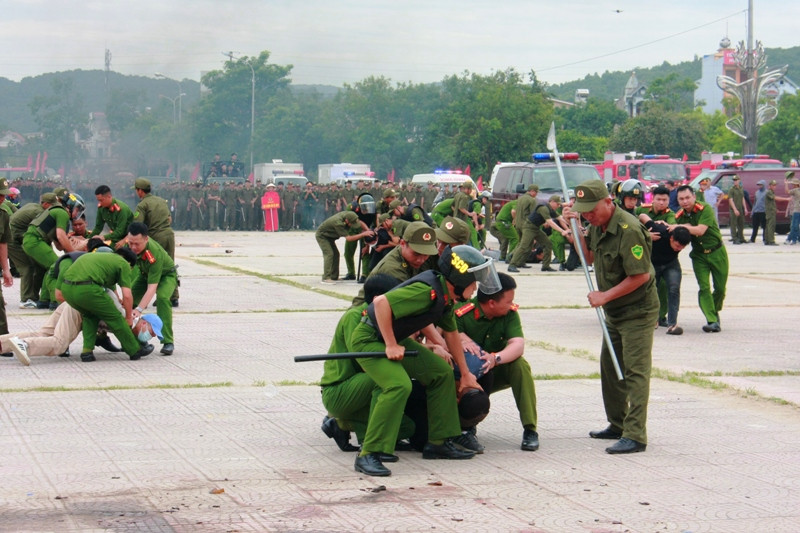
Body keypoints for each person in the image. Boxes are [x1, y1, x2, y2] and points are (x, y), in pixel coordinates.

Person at [349, 245, 500, 476]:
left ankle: (439, 441)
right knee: (398, 384)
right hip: (370, 338)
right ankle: (369, 453)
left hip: (392, 337)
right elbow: (380, 303)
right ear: (460, 280)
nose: (476, 288)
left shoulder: (446, 296)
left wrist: (466, 374)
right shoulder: (426, 290)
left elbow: (450, 335)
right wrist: (390, 344)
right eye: (474, 282)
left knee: (441, 372)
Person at [564, 179, 659, 454]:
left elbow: (640, 275)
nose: (588, 215)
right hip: (615, 311)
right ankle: (617, 424)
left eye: (591, 210)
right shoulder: (597, 224)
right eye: (583, 211)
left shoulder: (628, 229)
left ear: (608, 202)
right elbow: (590, 257)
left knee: (634, 371)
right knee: (610, 368)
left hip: (637, 310)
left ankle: (635, 434)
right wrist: (575, 229)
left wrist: (604, 296)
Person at [320, 274, 412, 453]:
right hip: (339, 389)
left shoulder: (380, 318)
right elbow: (366, 363)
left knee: (407, 428)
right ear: (379, 300)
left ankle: (351, 425)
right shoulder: (355, 317)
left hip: (361, 386)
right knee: (386, 379)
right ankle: (345, 426)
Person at [454, 272, 540, 452]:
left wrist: (495, 358)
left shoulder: (509, 314)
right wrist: (460, 338)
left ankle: (530, 429)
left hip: (495, 370)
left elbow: (518, 344)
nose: (511, 305)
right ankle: (466, 424)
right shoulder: (462, 313)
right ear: (491, 303)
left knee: (520, 365)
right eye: (508, 301)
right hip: (465, 376)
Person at [60, 248, 155, 362]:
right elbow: (127, 295)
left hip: (67, 290)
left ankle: (87, 352)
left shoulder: (99, 258)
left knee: (90, 316)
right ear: (130, 265)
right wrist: (129, 317)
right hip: (87, 289)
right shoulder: (123, 264)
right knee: (115, 318)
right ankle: (134, 350)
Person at [4, 302, 162, 366]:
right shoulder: (126, 319)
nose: (150, 337)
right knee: (59, 344)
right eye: (151, 333)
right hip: (78, 311)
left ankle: (2, 344)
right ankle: (25, 345)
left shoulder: (130, 318)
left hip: (72, 303)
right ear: (143, 323)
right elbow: (128, 343)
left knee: (42, 334)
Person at [672, 185, 729, 333]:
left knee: (720, 289)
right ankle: (712, 320)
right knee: (704, 287)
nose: (685, 201)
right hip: (699, 256)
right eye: (681, 199)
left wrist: (682, 226)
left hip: (717, 252)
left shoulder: (705, 209)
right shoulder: (679, 216)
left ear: (694, 197)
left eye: (687, 198)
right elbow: (674, 231)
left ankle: (714, 311)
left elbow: (700, 230)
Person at [22, 192, 85, 308]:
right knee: (57, 266)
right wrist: (74, 253)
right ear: (70, 205)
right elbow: (61, 236)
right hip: (35, 240)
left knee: (50, 267)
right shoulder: (62, 213)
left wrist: (73, 240)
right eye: (77, 209)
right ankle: (56, 300)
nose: (77, 213)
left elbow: (59, 245)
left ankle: (44, 300)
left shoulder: (59, 213)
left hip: (32, 240)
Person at [126, 222, 178, 356]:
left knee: (162, 298)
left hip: (166, 276)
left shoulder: (153, 253)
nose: (133, 247)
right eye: (130, 243)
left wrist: (139, 310)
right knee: (128, 300)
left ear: (146, 239)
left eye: (137, 244)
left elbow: (152, 288)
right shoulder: (130, 247)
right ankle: (131, 340)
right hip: (145, 275)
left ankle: (167, 341)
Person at [638, 213, 691, 335]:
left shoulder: (680, 236)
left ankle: (672, 324)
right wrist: (646, 234)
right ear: (671, 238)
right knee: (651, 291)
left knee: (674, 289)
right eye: (677, 246)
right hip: (654, 264)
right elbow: (642, 215)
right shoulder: (660, 231)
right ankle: (653, 320)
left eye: (682, 248)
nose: (679, 249)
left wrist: (676, 225)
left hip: (671, 264)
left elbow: (690, 225)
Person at [128, 178, 179, 306]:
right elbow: (169, 219)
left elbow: (138, 224)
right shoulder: (161, 201)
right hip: (169, 235)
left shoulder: (142, 205)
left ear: (140, 191)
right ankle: (174, 296)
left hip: (156, 237)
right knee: (170, 267)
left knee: (156, 266)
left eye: (136, 190)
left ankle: (161, 296)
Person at [10, 192, 57, 309]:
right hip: (12, 240)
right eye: (53, 205)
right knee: (26, 267)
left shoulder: (33, 206)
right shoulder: (40, 213)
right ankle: (26, 299)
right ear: (45, 204)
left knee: (38, 266)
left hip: (18, 237)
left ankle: (34, 297)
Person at [315, 211, 373, 283]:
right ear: (347, 221)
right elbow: (349, 238)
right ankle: (326, 277)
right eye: (352, 224)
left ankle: (334, 276)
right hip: (322, 236)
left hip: (330, 237)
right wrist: (363, 234)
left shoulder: (349, 215)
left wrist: (368, 230)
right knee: (329, 254)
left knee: (336, 254)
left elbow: (360, 222)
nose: (353, 225)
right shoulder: (338, 223)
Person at [507, 184, 539, 272]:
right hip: (526, 225)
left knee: (523, 243)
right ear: (532, 191)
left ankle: (520, 262)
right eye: (536, 192)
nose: (536, 194)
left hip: (518, 224)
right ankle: (512, 261)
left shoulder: (520, 198)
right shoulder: (531, 200)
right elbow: (534, 214)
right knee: (525, 245)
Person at [764, 179, 790, 246]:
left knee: (768, 226)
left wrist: (775, 209)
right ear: (770, 186)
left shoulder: (771, 192)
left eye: (775, 185)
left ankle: (767, 240)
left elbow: (772, 202)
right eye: (773, 185)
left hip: (771, 211)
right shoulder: (769, 192)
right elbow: (775, 198)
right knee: (771, 226)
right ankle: (771, 241)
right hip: (770, 212)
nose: (775, 186)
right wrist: (786, 199)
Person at [727, 175, 748, 245]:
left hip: (740, 209)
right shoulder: (731, 189)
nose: (735, 181)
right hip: (734, 209)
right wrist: (735, 209)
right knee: (733, 224)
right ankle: (734, 238)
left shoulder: (741, 188)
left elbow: (742, 198)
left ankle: (741, 237)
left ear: (739, 180)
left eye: (736, 180)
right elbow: (730, 200)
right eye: (734, 180)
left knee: (741, 224)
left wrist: (745, 208)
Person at [785, 173, 800, 245]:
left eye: (793, 184)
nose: (793, 185)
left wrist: (786, 184)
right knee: (795, 226)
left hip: (797, 210)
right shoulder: (796, 190)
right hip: (796, 210)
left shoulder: (795, 190)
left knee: (794, 225)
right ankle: (794, 239)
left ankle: (793, 239)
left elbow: (787, 191)